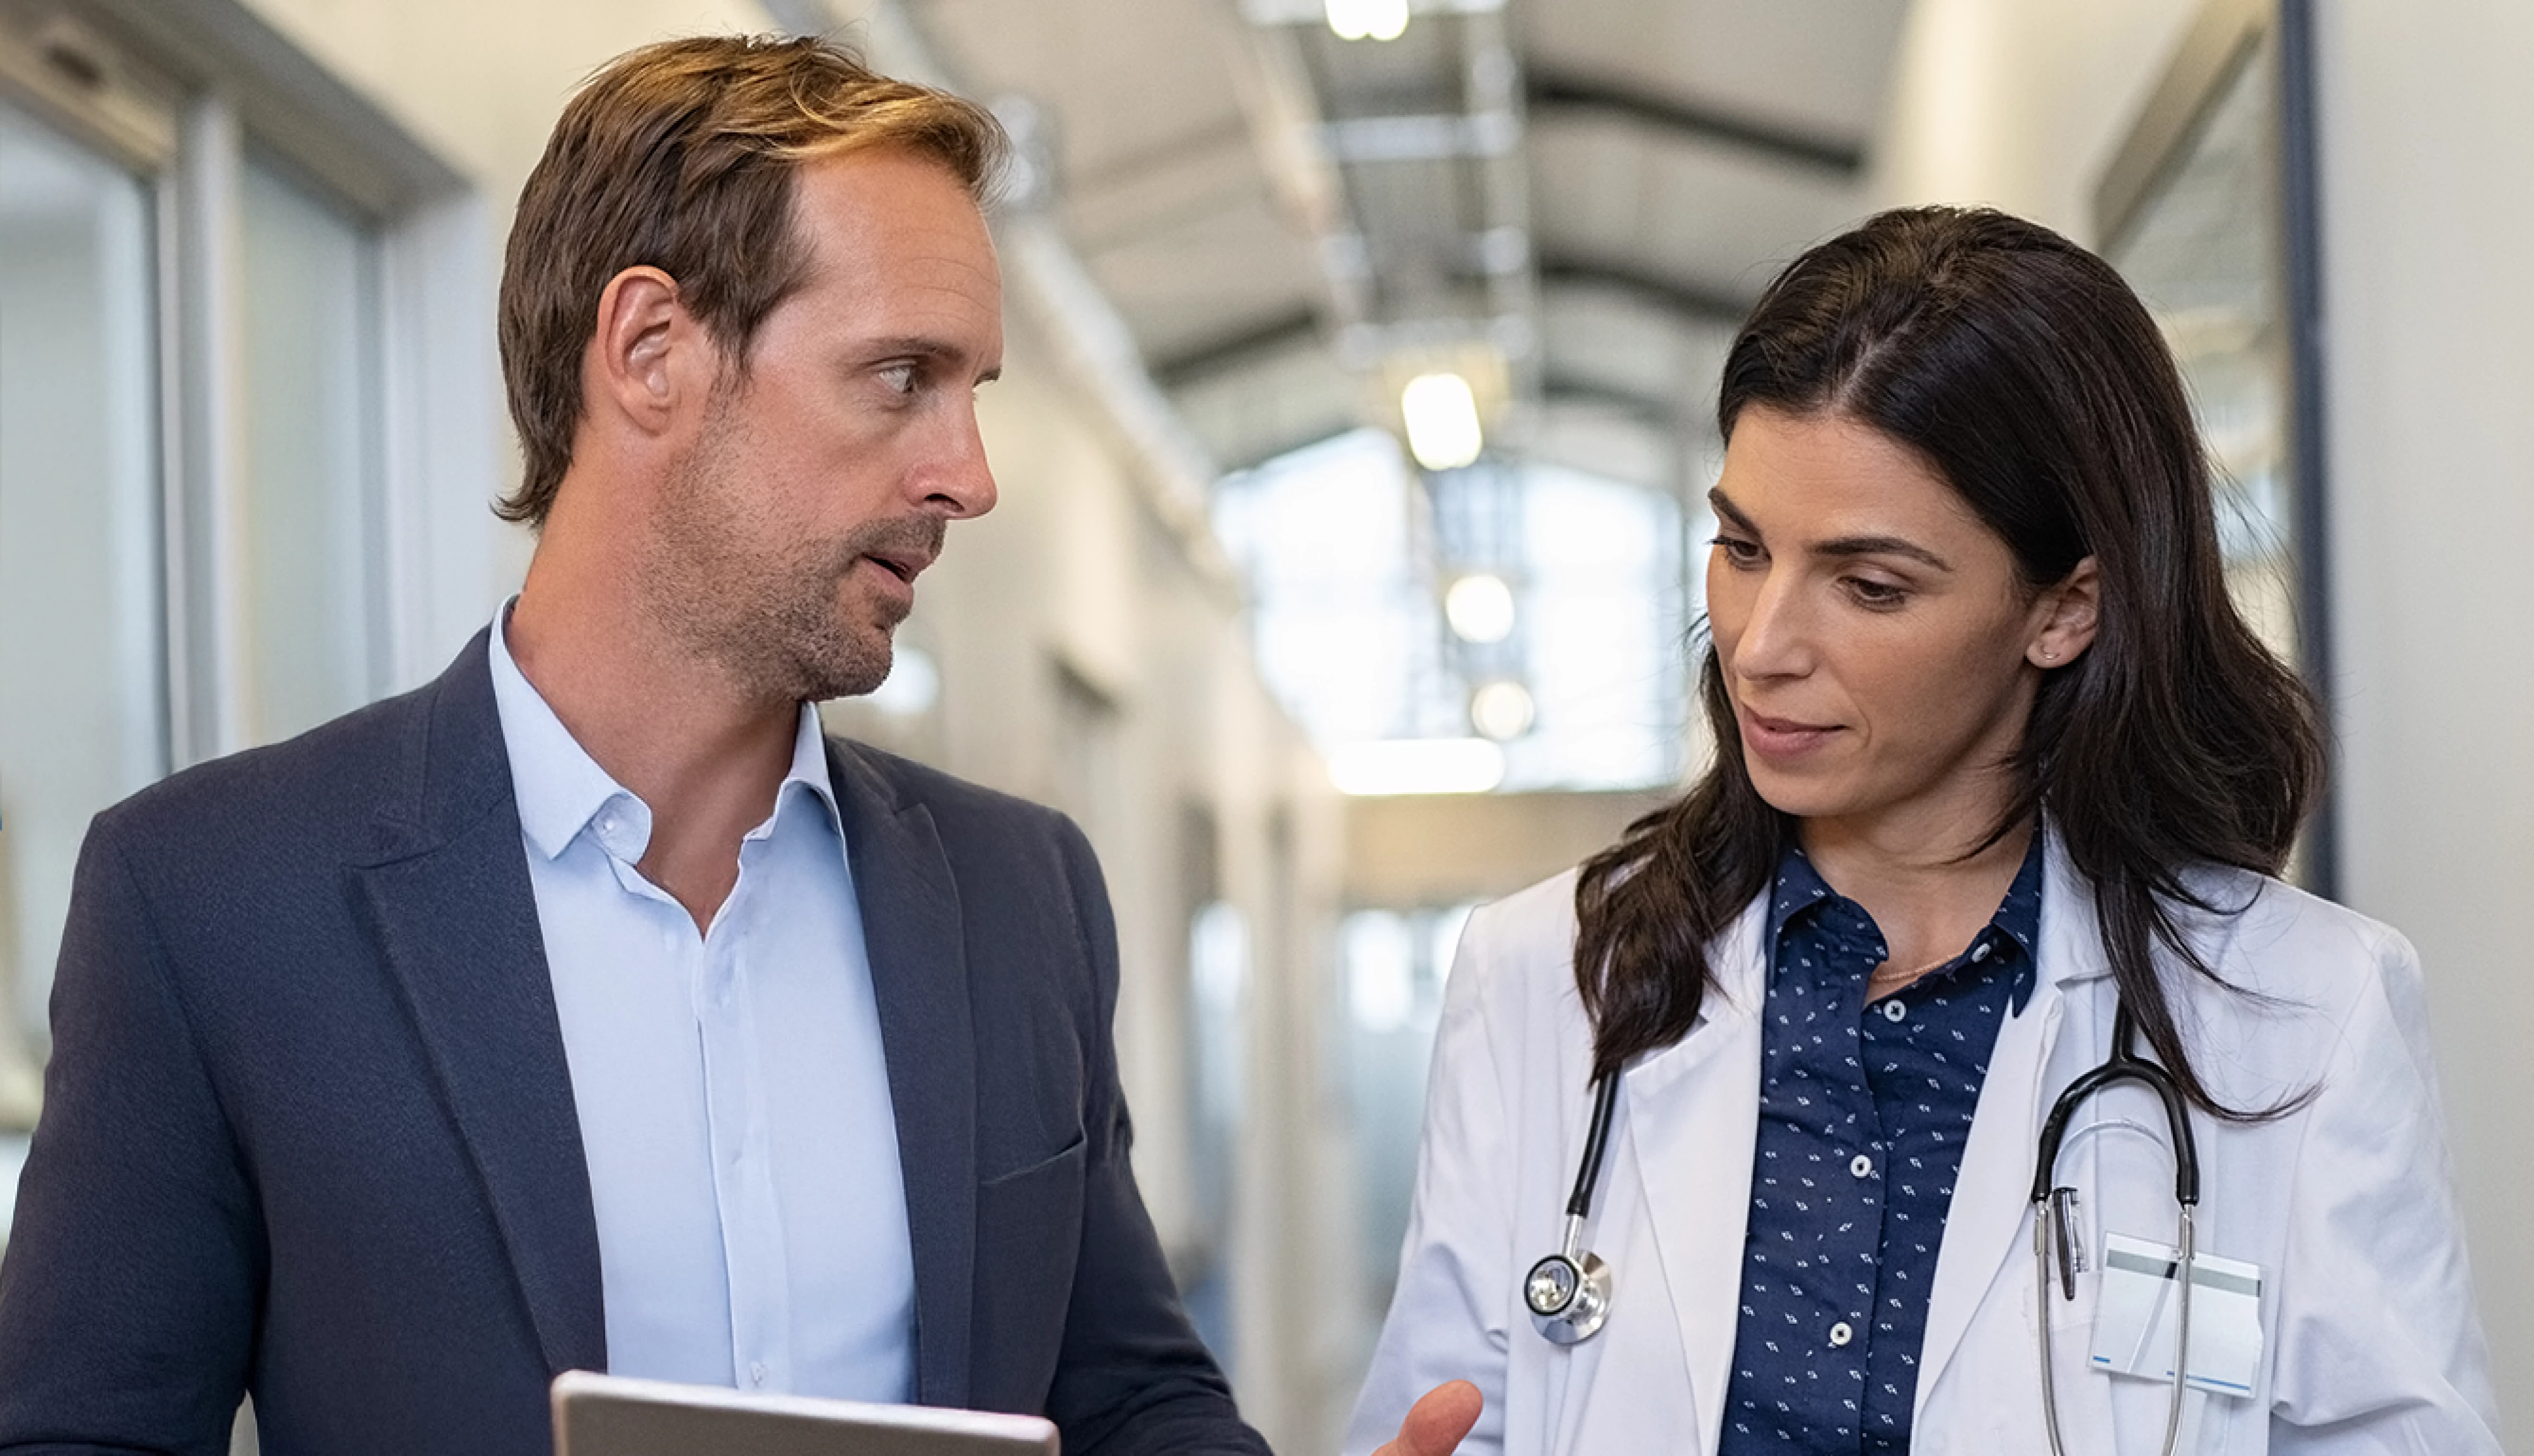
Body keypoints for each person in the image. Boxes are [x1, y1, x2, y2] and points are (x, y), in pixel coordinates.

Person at [0, 35, 1265, 1456]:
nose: (964, 475)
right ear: (650, 351)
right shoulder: (213, 900)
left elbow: (1129, 1395)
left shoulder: (1023, 892)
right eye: (902, 375)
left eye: (975, 390)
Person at [1352, 207, 2500, 1455]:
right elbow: (1438, 1416)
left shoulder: (2302, 1012)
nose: (1760, 644)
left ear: (2062, 610)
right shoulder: (1547, 977)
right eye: (1738, 547)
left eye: (1868, 585)